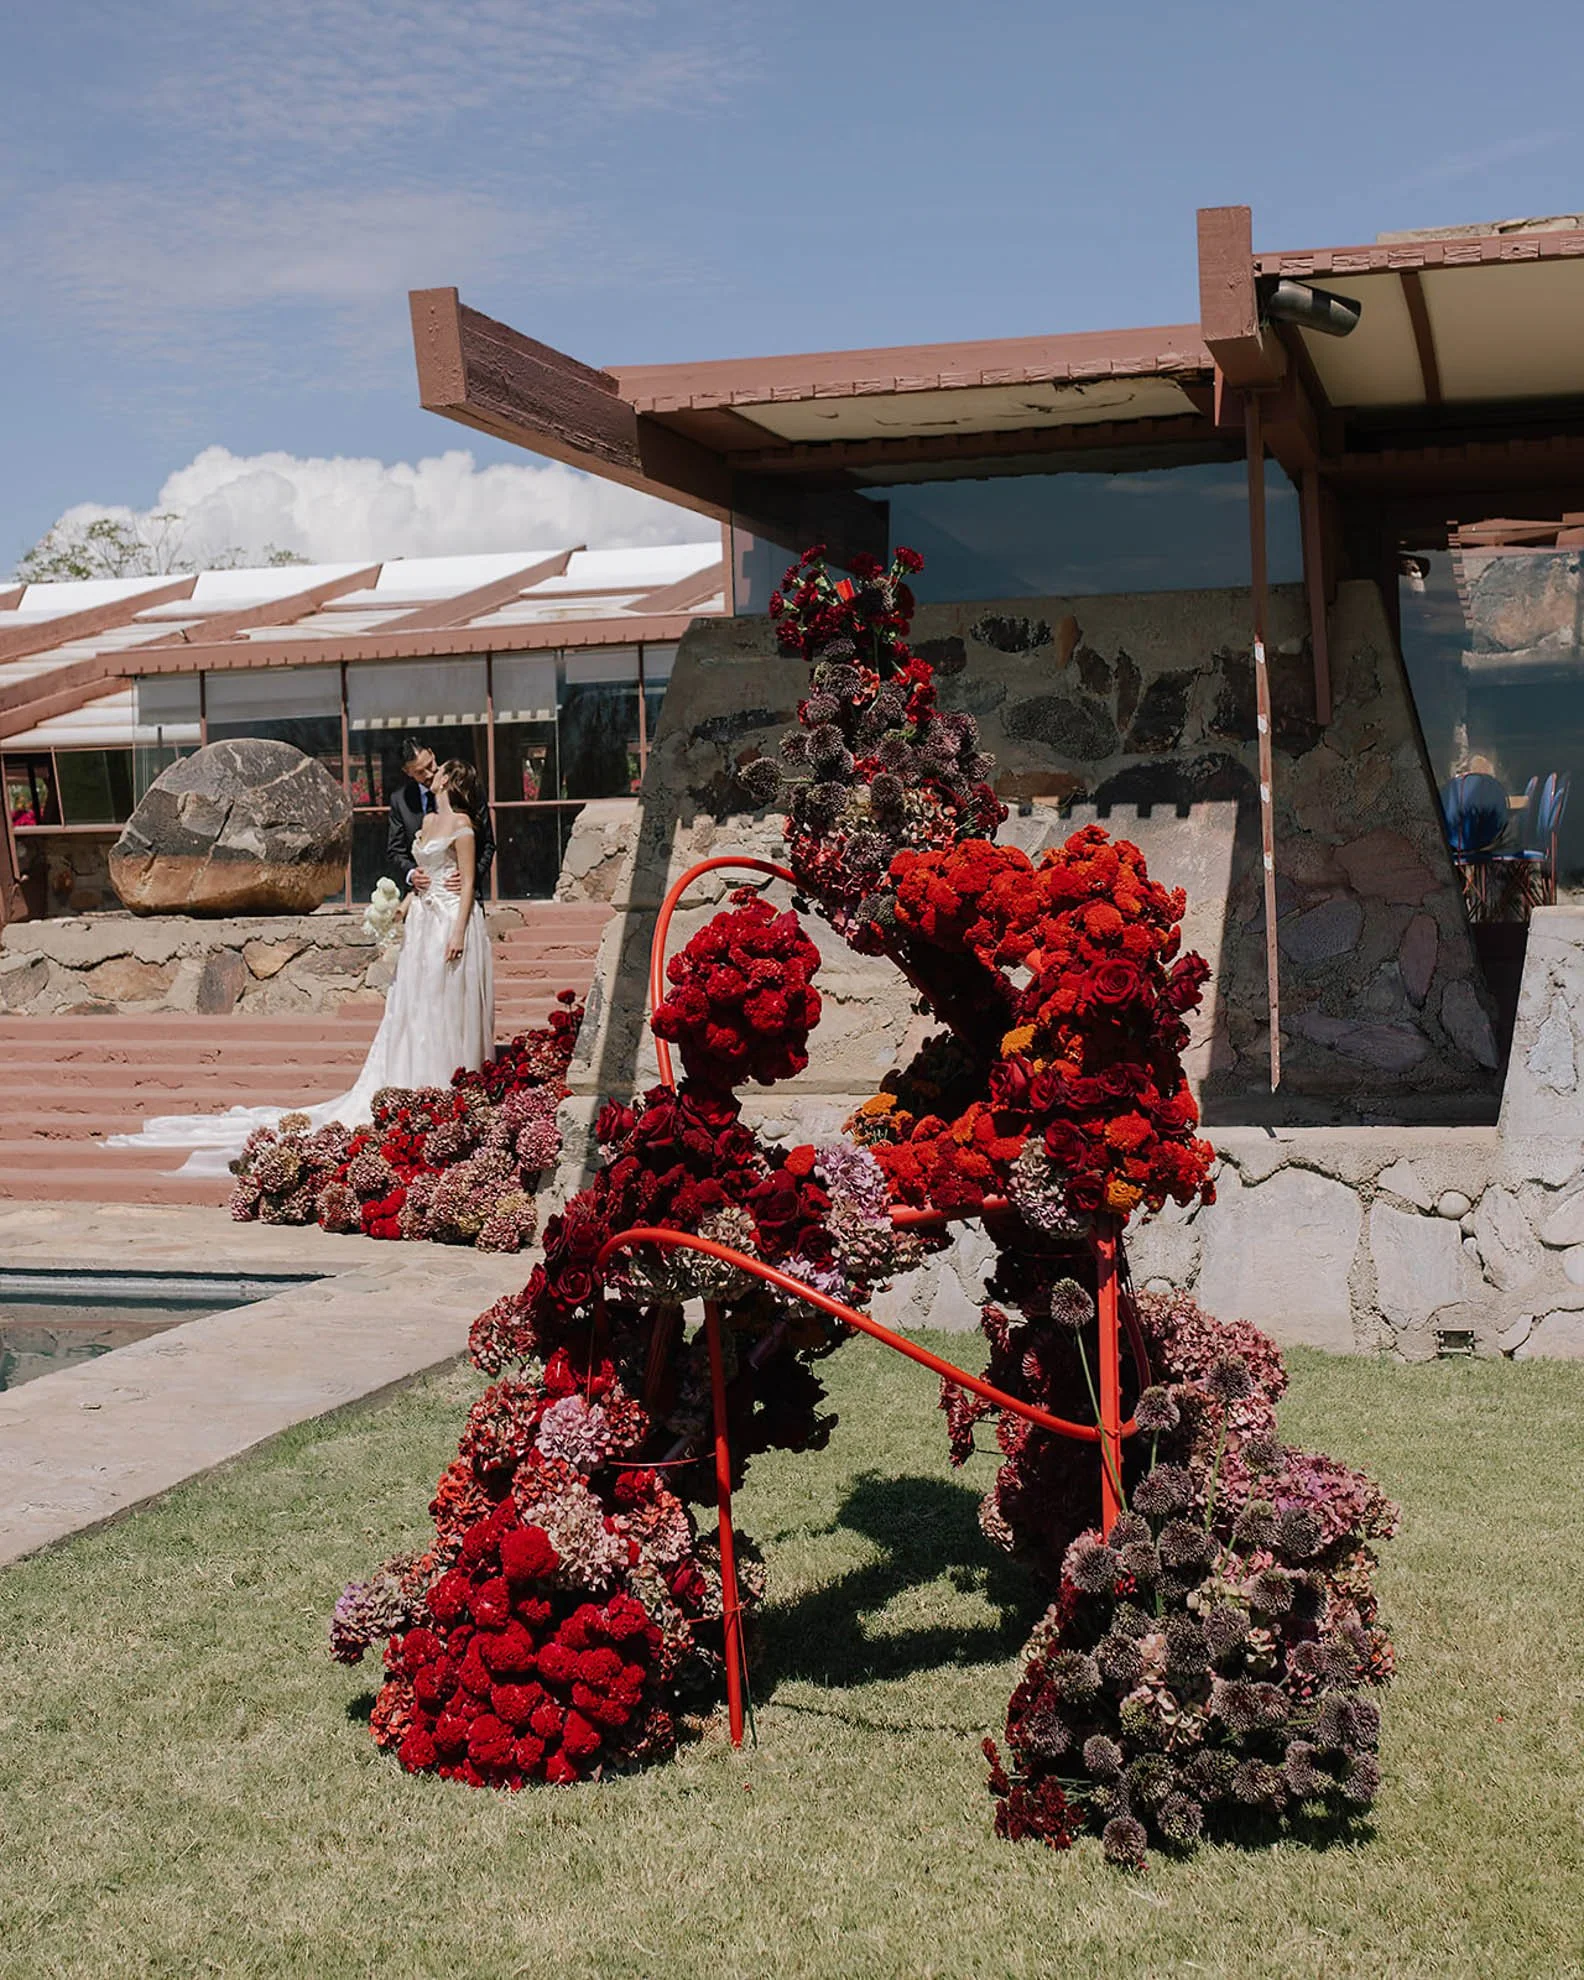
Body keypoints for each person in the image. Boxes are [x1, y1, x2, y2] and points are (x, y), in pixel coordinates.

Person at [107, 760, 495, 1175]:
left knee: (443, 1004)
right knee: (415, 1005)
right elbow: (423, 871)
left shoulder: (464, 825)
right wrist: (406, 896)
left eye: (443, 771)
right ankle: (413, 1081)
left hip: (449, 920)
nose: (434, 773)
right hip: (421, 920)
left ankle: (448, 1086)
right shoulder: (428, 820)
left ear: (453, 782)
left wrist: (457, 932)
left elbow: (467, 881)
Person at [389, 737, 494, 899]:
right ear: (407, 771)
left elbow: (487, 843)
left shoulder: (466, 789)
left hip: (462, 896)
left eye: (429, 765)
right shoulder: (400, 800)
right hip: (422, 900)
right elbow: (396, 851)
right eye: (419, 772)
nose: (429, 774)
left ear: (432, 754)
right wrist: (411, 874)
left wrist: (470, 876)